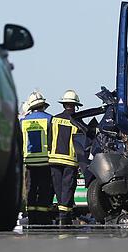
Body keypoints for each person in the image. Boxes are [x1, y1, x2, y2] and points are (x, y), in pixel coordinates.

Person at [48, 89, 88, 226]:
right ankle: (64, 216)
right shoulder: (78, 121)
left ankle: (64, 214)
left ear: (64, 104)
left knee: (58, 188)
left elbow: (49, 139)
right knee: (68, 188)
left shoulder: (54, 119)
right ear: (75, 105)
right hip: (69, 160)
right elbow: (83, 143)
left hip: (53, 159)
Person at [20, 91, 55, 225]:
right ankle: (43, 218)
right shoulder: (50, 119)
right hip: (45, 161)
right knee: (44, 190)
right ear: (43, 106)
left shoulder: (23, 121)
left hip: (29, 162)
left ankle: (32, 217)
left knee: (31, 190)